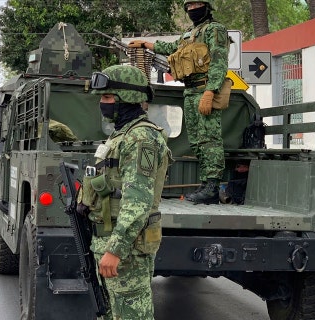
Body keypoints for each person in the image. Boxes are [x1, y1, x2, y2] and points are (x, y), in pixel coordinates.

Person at [86, 65, 171, 319]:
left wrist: (115, 250)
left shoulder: (139, 139)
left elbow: (138, 202)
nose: (103, 103)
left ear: (127, 99)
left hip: (127, 251)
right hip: (110, 243)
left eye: (108, 97)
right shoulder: (121, 136)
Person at [128, 0, 229, 204]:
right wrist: (147, 45)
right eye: (189, 7)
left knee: (209, 140)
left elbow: (219, 62)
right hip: (191, 91)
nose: (193, 10)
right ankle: (205, 184)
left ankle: (212, 187)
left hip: (204, 88)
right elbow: (172, 47)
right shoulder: (189, 34)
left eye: (196, 5)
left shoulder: (215, 30)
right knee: (197, 142)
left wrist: (211, 92)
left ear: (206, 7)